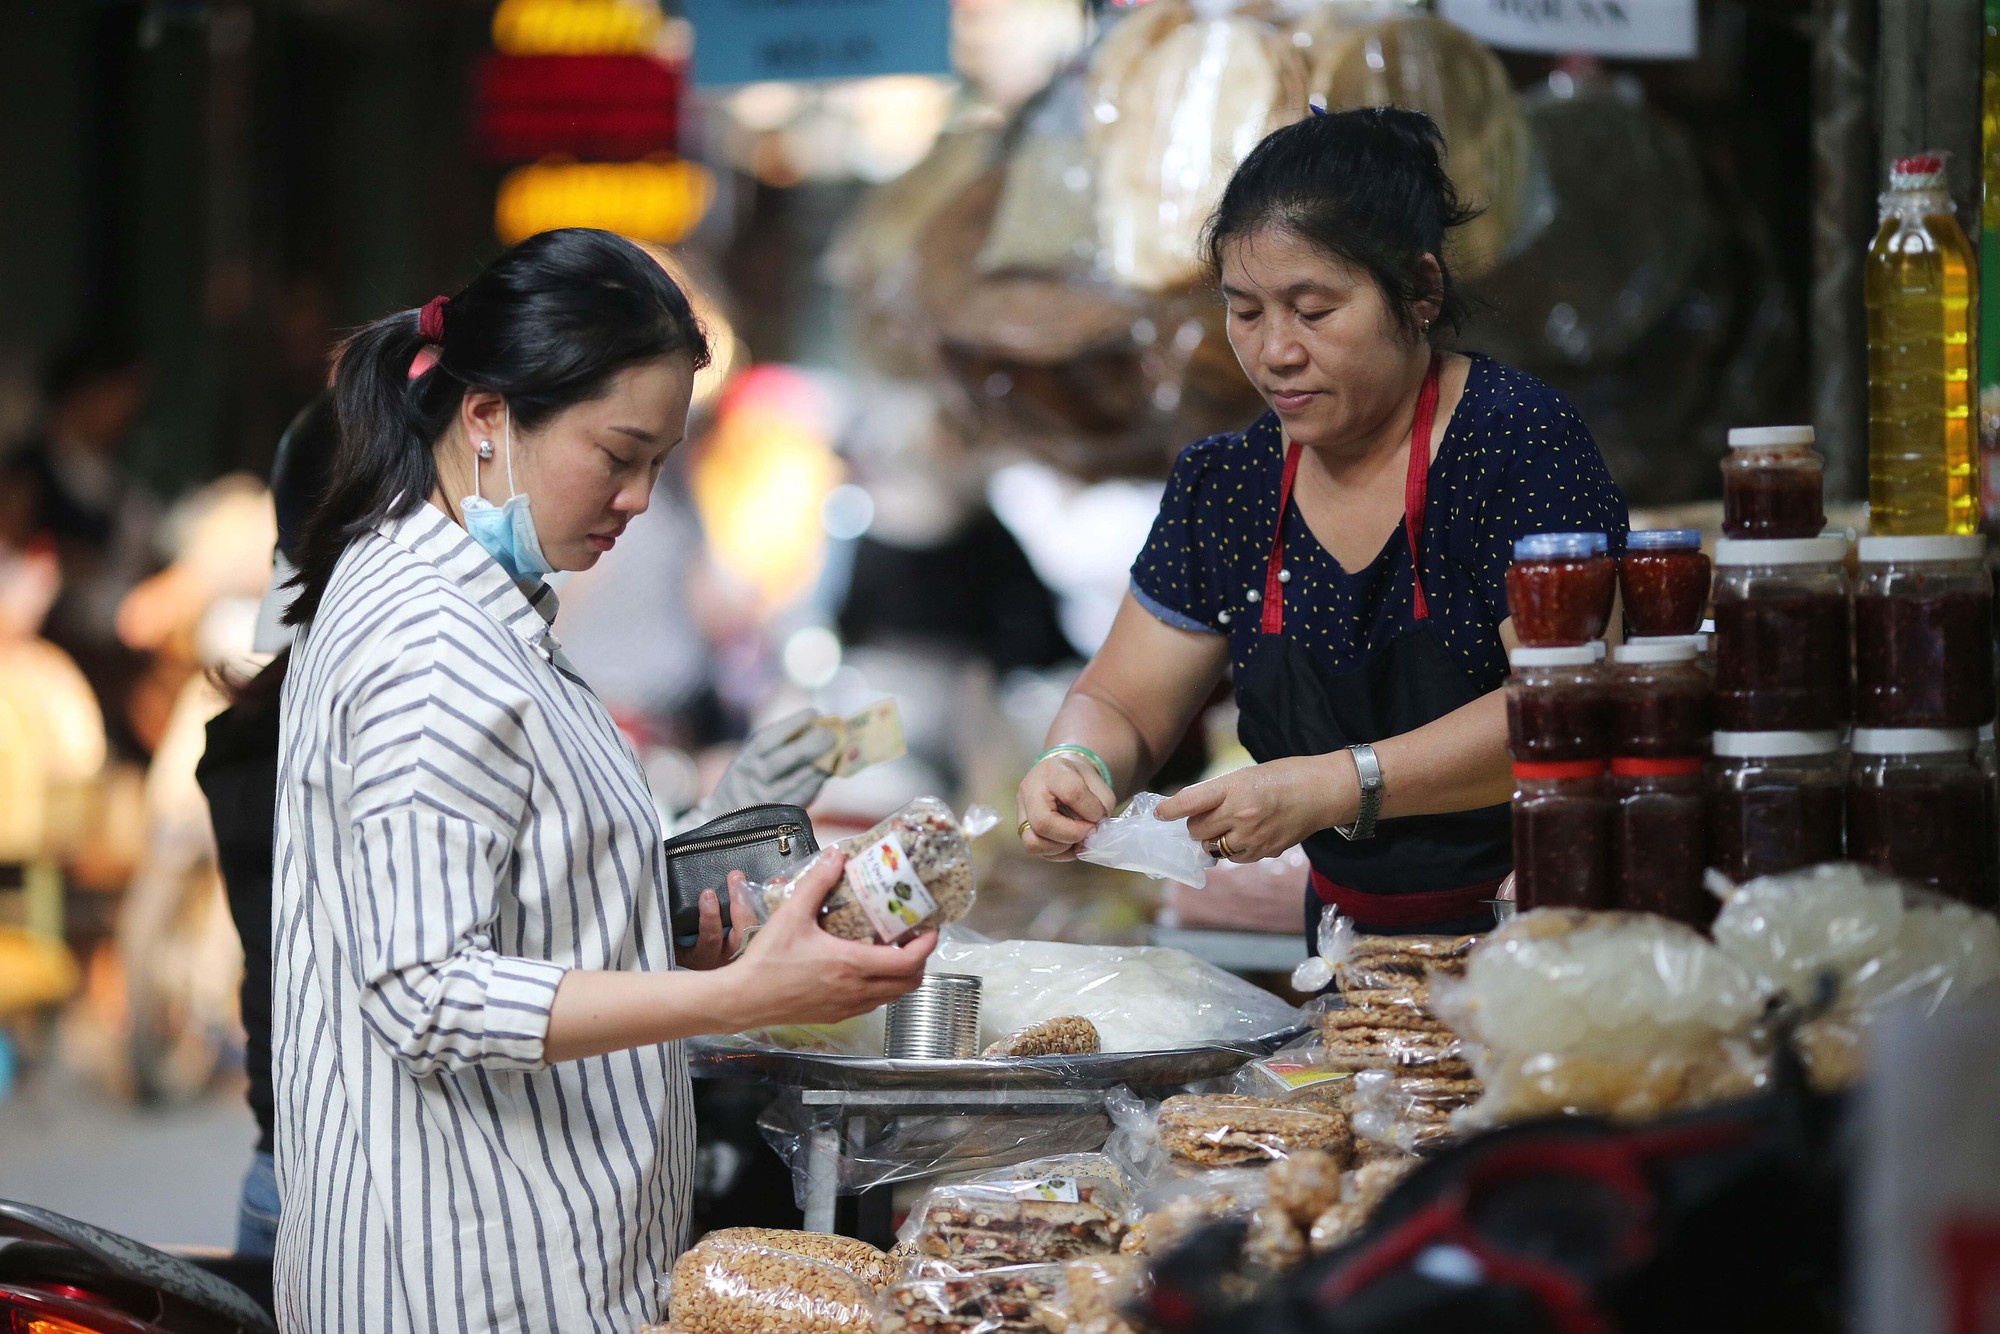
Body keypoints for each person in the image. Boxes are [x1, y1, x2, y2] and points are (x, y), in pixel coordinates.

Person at [268, 229, 935, 1332]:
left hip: (534, 1250)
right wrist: (743, 995)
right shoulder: (430, 646)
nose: (637, 498)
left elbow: (512, 904)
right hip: (463, 1275)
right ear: (488, 416)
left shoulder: (479, 606)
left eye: (659, 464)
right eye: (616, 453)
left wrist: (668, 926)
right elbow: (426, 989)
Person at [1015, 109, 1629, 939]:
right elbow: (1121, 702)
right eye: (1246, 311)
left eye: (1312, 310)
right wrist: (1075, 762)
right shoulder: (1228, 484)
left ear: (1419, 291)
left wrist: (1342, 784)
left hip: (1546, 936)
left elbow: (1568, 706)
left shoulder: (1517, 443)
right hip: (1345, 951)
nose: (1275, 352)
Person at [0, 336, 158, 758]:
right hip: (35, 665)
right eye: (117, 395)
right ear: (84, 391)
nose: (126, 411)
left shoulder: (122, 491)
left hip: (104, 661)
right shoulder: (27, 473)